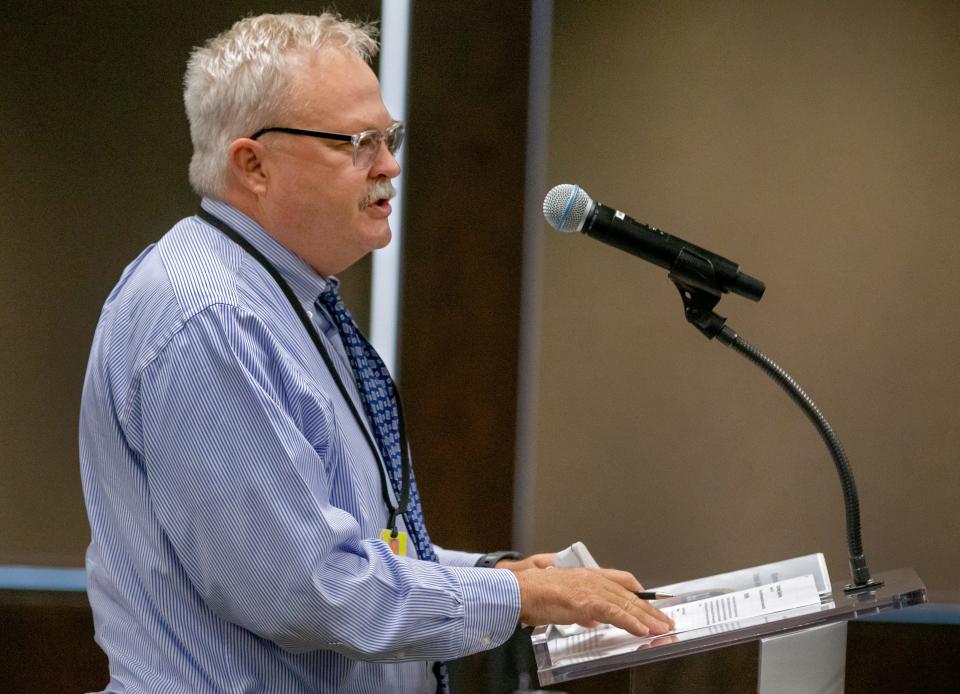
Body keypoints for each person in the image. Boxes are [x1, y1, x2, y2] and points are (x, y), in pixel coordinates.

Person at [79, 12, 672, 693]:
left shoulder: (291, 300)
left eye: (389, 138)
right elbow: (307, 587)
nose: (389, 164)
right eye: (356, 143)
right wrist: (517, 602)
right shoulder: (210, 318)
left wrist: (492, 578)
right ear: (253, 164)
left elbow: (352, 544)